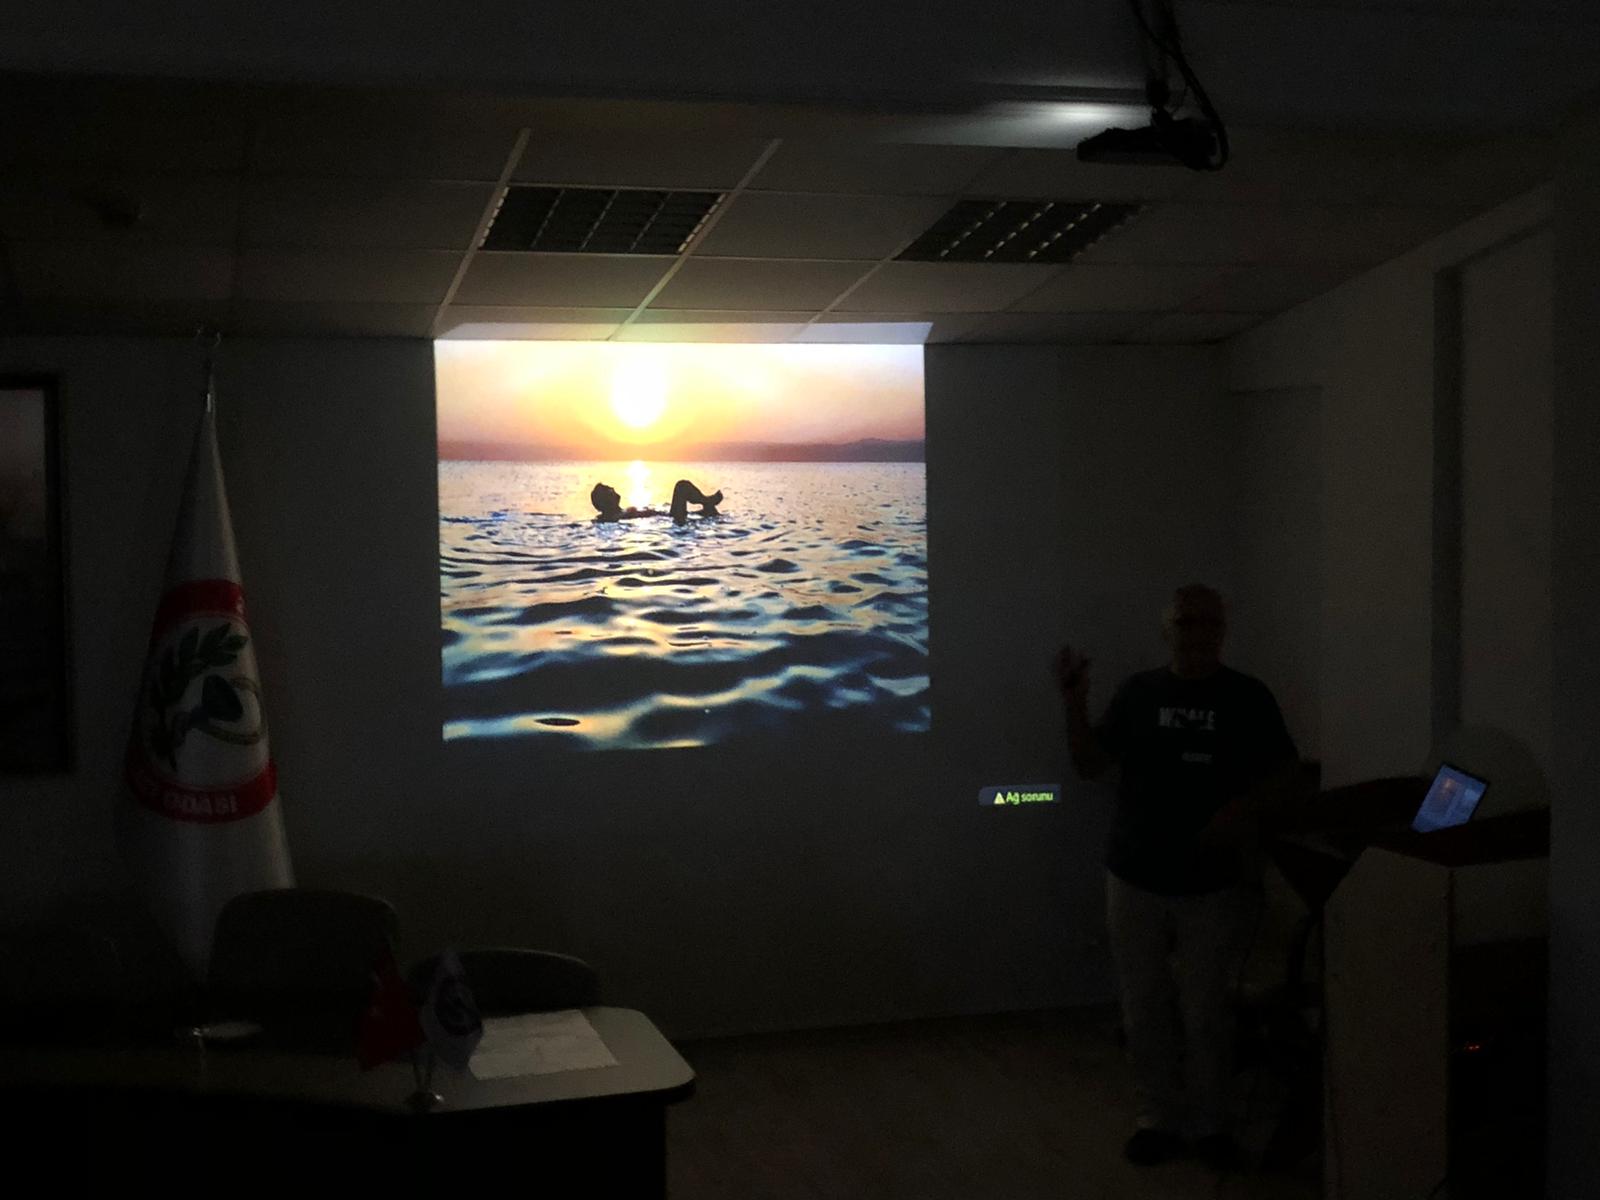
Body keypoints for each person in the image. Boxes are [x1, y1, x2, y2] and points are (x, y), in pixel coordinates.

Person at [1058, 584, 1299, 1172]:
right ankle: (1156, 1119)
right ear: (1166, 630)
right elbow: (1091, 765)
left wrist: (1240, 812)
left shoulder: (1248, 697)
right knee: (1143, 1007)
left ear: (1223, 629)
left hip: (1212, 884)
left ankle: (1211, 1124)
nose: (1196, 632)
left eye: (1207, 621)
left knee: (1207, 1011)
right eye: (1185, 621)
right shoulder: (1139, 692)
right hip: (1136, 874)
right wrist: (1073, 706)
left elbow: (1286, 776)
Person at [590, 480, 722, 524]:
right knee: (681, 486)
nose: (613, 489)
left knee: (707, 513)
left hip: (667, 517)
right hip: (672, 518)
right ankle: (707, 501)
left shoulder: (619, 512)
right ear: (605, 501)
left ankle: (708, 507)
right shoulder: (612, 516)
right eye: (609, 490)